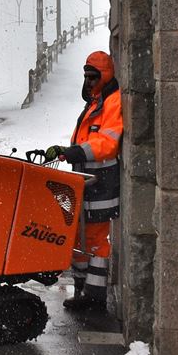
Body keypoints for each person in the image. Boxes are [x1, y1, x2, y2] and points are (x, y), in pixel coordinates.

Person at [45, 50, 122, 311]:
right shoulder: (96, 101)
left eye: (93, 77)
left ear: (105, 76)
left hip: (101, 185)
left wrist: (73, 152)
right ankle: (81, 290)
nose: (88, 82)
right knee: (79, 238)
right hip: (86, 183)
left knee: (96, 241)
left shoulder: (112, 103)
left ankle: (95, 297)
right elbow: (86, 139)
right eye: (86, 76)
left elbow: (107, 143)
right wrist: (68, 152)